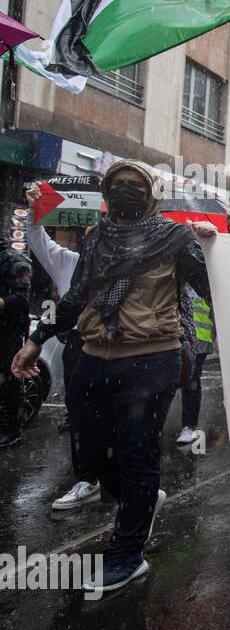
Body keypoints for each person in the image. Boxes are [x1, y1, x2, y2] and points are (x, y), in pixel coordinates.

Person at [11, 160, 216, 592]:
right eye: (117, 185)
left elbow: (214, 288)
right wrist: (37, 337)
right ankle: (142, 501)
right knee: (93, 455)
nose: (124, 191)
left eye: (134, 185)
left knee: (136, 454)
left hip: (152, 359)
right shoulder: (97, 237)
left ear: (152, 195)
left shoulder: (177, 239)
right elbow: (75, 296)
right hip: (92, 356)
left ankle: (127, 554)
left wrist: (217, 250)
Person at [25, 185, 101, 508]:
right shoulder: (67, 261)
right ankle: (87, 478)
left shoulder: (122, 259)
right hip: (76, 345)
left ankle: (120, 479)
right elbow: (37, 240)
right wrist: (34, 210)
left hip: (110, 344)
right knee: (79, 412)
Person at [0, 238, 33, 449]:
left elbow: (23, 299)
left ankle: (12, 430)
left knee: (8, 382)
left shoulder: (13, 259)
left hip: (7, 333)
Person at [177, 287, 214, 446]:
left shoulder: (201, 274)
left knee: (191, 379)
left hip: (199, 337)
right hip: (177, 334)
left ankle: (189, 425)